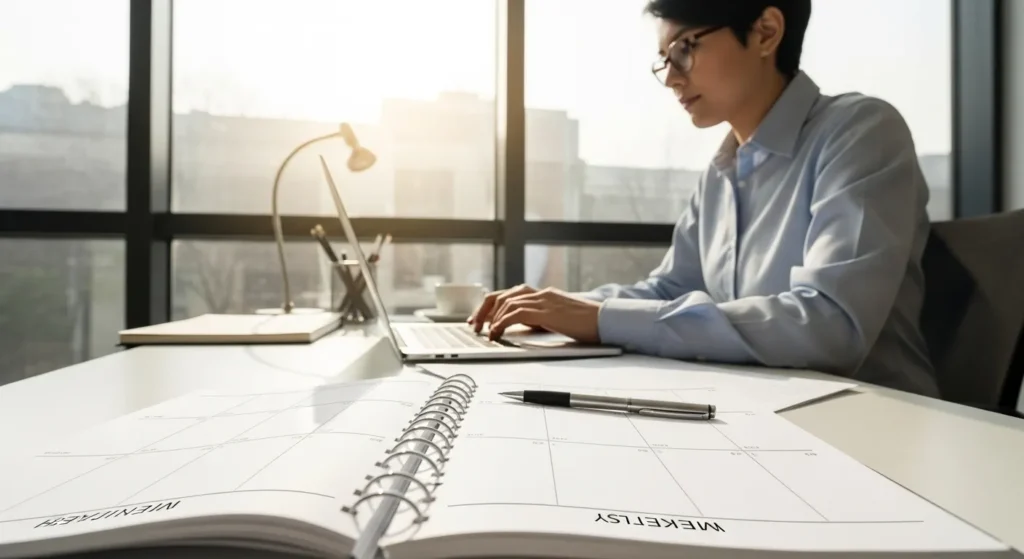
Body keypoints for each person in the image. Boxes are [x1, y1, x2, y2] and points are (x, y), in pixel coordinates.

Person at [468, 0, 939, 397]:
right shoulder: (722, 171)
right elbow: (670, 291)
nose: (672, 78)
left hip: (872, 427)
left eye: (685, 49)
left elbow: (831, 325)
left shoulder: (860, 133)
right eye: (663, 59)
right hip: (758, 411)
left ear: (765, 32)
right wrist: (557, 308)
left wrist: (602, 318)